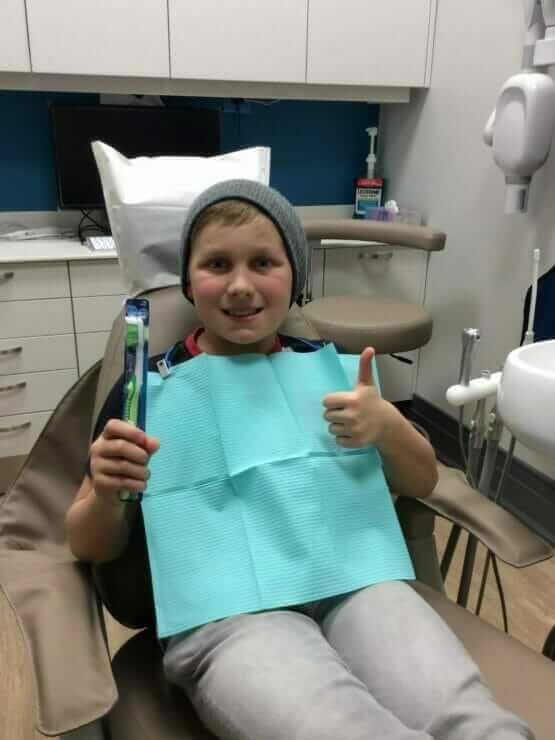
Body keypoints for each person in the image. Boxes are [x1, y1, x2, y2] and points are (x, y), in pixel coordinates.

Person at [66, 179, 532, 740]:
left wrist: (385, 426)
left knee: (472, 721)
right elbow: (89, 545)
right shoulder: (146, 396)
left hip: (356, 586)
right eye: (217, 263)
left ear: (296, 277)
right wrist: (106, 489)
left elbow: (422, 478)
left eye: (263, 261)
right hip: (228, 614)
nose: (240, 285)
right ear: (189, 282)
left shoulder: (334, 375)